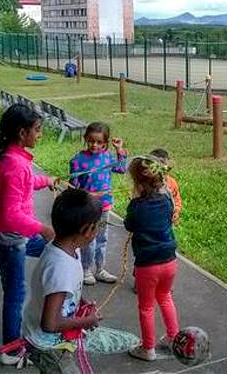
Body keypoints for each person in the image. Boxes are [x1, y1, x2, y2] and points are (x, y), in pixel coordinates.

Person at [0, 104, 57, 366]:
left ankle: (52, 311)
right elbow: (12, 215)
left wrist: (46, 180)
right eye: (37, 130)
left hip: (8, 236)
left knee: (54, 249)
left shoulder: (13, 159)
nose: (40, 135)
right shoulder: (15, 165)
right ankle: (11, 350)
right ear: (23, 132)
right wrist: (44, 229)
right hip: (9, 240)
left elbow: (25, 183)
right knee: (15, 294)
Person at [23, 188, 102, 374]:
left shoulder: (65, 246)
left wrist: (79, 301)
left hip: (51, 339)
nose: (98, 229)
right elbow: (49, 324)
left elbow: (63, 290)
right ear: (86, 230)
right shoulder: (61, 267)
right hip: (47, 345)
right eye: (97, 225)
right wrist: (85, 322)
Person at [124, 155, 180, 362]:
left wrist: (134, 200)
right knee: (165, 297)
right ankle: (174, 338)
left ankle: (148, 348)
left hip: (148, 265)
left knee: (146, 307)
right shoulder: (166, 199)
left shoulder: (137, 206)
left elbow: (129, 225)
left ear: (139, 183)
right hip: (169, 260)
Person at [69, 122, 127, 286]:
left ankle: (100, 269)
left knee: (102, 238)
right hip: (87, 208)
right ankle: (86, 269)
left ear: (105, 143)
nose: (95, 145)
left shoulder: (107, 157)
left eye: (99, 142)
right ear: (86, 138)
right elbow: (72, 186)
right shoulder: (78, 160)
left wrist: (119, 150)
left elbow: (122, 169)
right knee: (88, 238)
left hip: (104, 206)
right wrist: (81, 197)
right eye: (91, 141)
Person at [149, 148, 182, 225]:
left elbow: (177, 200)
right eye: (157, 163)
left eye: (164, 163)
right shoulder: (144, 183)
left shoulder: (172, 182)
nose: (162, 166)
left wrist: (176, 211)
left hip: (165, 223)